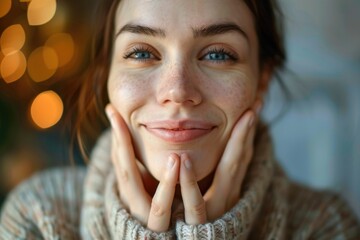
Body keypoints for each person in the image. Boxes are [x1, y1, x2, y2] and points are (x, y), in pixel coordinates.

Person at [1, 0, 359, 239]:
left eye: (218, 54)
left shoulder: (326, 226)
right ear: (105, 74)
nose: (177, 89)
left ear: (261, 79)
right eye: (141, 52)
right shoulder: (38, 216)